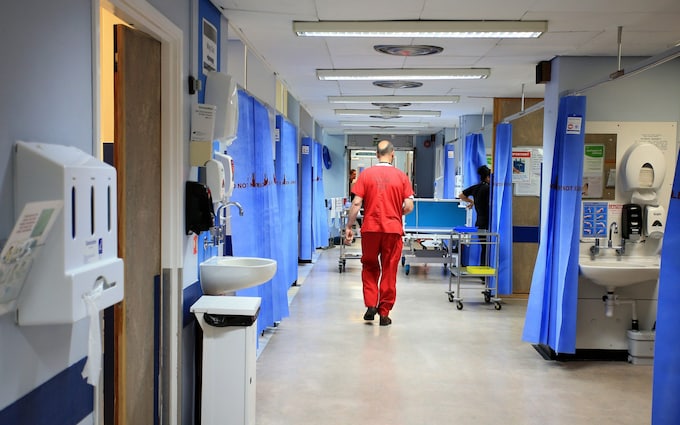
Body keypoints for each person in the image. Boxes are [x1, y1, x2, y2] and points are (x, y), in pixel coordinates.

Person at [345, 140, 414, 326]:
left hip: (371, 229)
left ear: (376, 154)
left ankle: (370, 305)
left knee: (369, 266)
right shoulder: (401, 176)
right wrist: (394, 213)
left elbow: (356, 204)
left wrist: (349, 226)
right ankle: (384, 313)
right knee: (390, 269)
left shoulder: (366, 175)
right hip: (393, 230)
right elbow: (409, 205)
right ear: (392, 155)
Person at [458, 165, 491, 264]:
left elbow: (461, 195)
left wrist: (472, 202)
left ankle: (482, 273)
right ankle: (485, 272)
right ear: (488, 177)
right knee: (488, 248)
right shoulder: (489, 189)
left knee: (484, 247)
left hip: (479, 221)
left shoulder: (476, 187)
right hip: (488, 222)